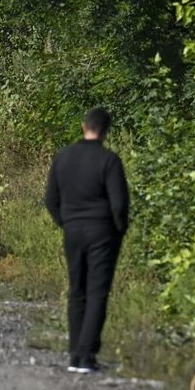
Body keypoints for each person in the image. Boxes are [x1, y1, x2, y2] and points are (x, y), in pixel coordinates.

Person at [45, 107, 129, 374]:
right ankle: (86, 356)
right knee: (97, 292)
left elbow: (51, 199)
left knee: (77, 291)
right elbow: (119, 204)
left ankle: (74, 356)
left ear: (84, 126)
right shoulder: (109, 160)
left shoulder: (64, 157)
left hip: (73, 231)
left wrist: (65, 221)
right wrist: (119, 230)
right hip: (102, 231)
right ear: (106, 130)